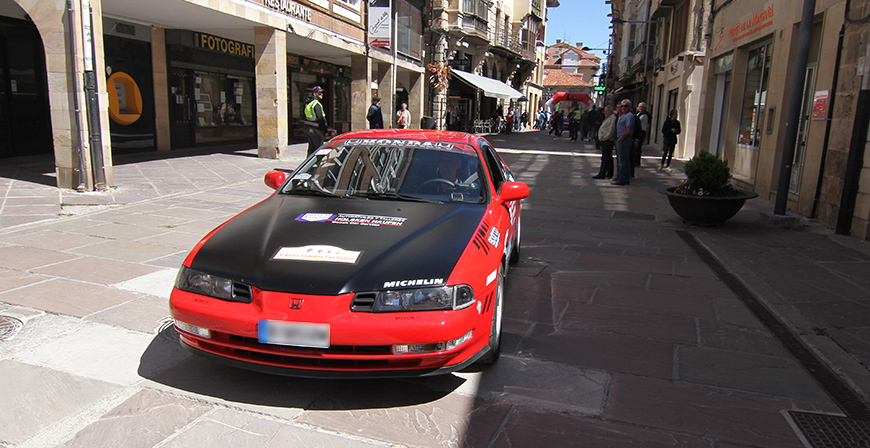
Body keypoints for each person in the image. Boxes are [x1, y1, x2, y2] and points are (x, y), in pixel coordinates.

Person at [613, 99, 635, 186]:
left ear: (629, 107)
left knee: (622, 160)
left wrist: (621, 137)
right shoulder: (622, 115)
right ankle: (622, 177)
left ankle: (622, 178)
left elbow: (628, 128)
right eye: (622, 106)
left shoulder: (629, 116)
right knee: (621, 159)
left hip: (624, 139)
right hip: (620, 139)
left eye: (625, 106)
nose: (623, 108)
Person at [593, 105, 616, 180]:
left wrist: (605, 137)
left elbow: (611, 130)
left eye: (607, 111)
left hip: (607, 140)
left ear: (611, 111)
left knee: (605, 157)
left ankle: (602, 173)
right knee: (608, 157)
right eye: (605, 111)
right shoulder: (607, 118)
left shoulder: (612, 118)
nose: (605, 112)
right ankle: (609, 173)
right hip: (605, 140)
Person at [304, 85, 328, 156]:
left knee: (311, 149)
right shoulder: (316, 104)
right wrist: (325, 130)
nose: (321, 94)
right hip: (316, 129)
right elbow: (321, 118)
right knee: (318, 149)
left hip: (309, 128)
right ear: (315, 94)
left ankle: (308, 164)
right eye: (319, 93)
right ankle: (316, 165)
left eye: (322, 93)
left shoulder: (308, 103)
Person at [632, 102, 651, 176]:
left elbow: (638, 121)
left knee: (638, 147)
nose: (640, 108)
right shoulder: (639, 114)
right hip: (640, 131)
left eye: (642, 107)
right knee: (637, 147)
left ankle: (637, 161)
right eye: (639, 106)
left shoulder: (644, 115)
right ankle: (636, 161)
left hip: (641, 132)